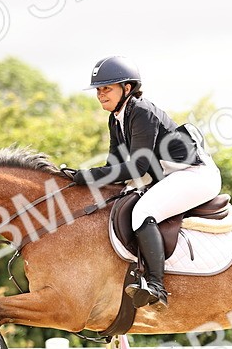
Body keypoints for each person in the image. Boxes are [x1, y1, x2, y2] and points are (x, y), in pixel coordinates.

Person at [69, 56, 221, 309]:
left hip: (195, 175)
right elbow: (113, 167)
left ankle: (156, 286)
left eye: (107, 88)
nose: (100, 94)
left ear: (127, 88)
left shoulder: (140, 110)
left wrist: (86, 175)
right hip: (172, 177)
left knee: (144, 211)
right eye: (98, 89)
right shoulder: (116, 118)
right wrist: (79, 179)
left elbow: (136, 166)